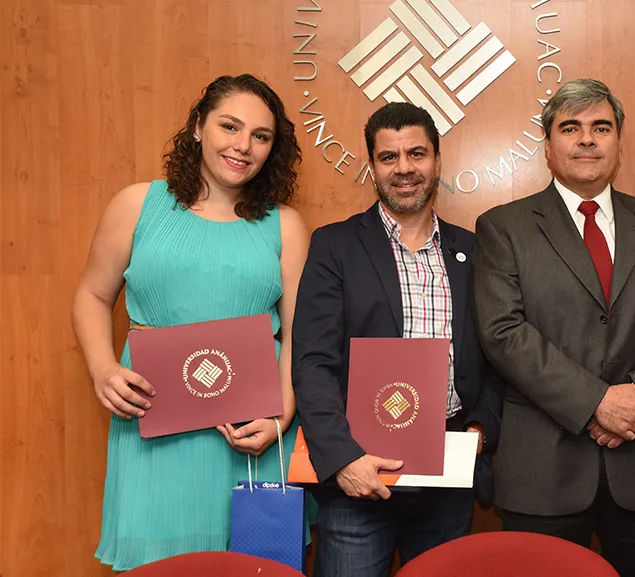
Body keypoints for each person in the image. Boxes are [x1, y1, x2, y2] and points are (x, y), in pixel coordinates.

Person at [71, 74, 310, 571]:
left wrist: (281, 417)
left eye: (261, 137)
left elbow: (298, 335)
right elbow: (93, 294)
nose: (243, 146)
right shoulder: (137, 204)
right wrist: (101, 367)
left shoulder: (285, 225)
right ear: (198, 126)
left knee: (252, 564)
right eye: (230, 126)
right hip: (154, 428)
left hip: (251, 435)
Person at [472, 78, 635, 577]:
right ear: (548, 144)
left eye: (600, 127)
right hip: (543, 473)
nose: (586, 139)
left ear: (618, 141)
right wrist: (597, 402)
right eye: (570, 128)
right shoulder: (502, 227)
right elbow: (503, 332)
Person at [292, 102, 503, 577]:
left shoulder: (473, 250)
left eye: (416, 154)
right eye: (389, 157)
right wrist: (343, 459)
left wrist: (479, 431)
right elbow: (312, 363)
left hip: (448, 471)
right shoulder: (334, 246)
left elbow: (495, 358)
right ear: (372, 166)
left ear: (437, 161)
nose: (404, 168)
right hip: (358, 476)